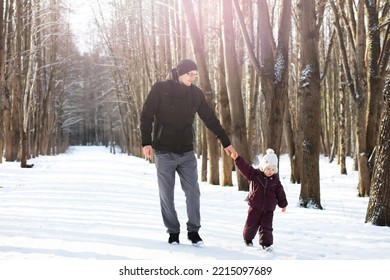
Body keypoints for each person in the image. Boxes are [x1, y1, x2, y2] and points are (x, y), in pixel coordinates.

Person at [140, 59, 237, 246]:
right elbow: (146, 115)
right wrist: (146, 142)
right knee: (166, 194)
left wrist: (226, 142)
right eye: (190, 74)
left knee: (193, 191)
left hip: (186, 152)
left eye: (195, 74)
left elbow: (210, 118)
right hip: (163, 151)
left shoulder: (195, 94)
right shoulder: (160, 89)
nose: (193, 77)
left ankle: (194, 231)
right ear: (179, 73)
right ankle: (173, 232)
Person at [231, 148, 287, 251]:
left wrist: (283, 204)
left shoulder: (275, 180)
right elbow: (246, 169)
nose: (270, 171)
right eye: (268, 168)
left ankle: (266, 244)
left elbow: (280, 193)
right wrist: (237, 159)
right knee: (251, 224)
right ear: (263, 167)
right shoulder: (255, 175)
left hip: (268, 209)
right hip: (255, 206)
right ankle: (247, 239)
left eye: (273, 169)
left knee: (267, 227)